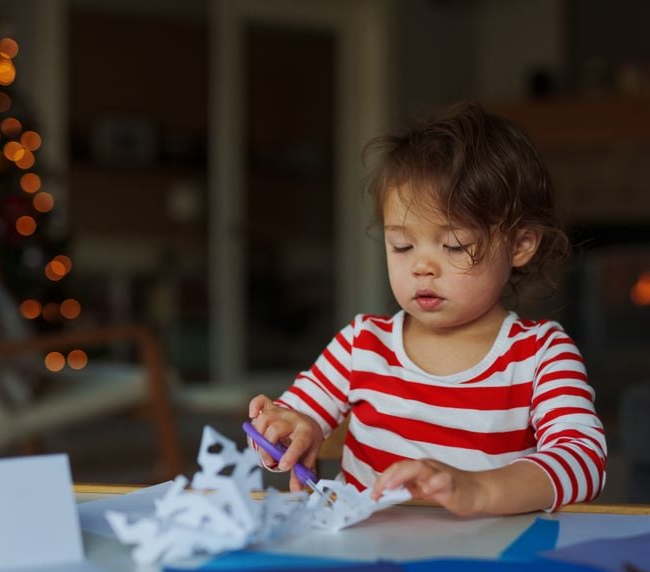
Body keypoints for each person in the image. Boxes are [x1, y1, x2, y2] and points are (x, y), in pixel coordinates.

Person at [248, 102, 607, 517]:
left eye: (454, 245)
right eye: (401, 245)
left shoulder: (541, 355)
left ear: (521, 244)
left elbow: (585, 461)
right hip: (366, 555)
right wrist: (288, 432)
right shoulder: (362, 344)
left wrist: (482, 491)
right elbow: (293, 420)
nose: (421, 266)